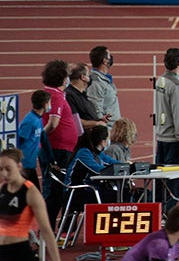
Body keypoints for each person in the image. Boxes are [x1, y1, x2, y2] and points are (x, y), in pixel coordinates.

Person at [0, 148, 68, 261]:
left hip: (18, 256)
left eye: (8, 168)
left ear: (19, 166)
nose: (4, 173)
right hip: (1, 253)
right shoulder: (2, 189)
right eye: (0, 169)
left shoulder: (30, 192)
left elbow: (46, 231)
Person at [40, 60, 77, 228]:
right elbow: (53, 123)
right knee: (55, 191)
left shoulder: (56, 94)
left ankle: (51, 230)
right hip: (57, 150)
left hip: (61, 148)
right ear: (62, 78)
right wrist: (40, 138)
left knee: (57, 190)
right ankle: (47, 230)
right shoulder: (54, 96)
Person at [154, 48, 179, 211]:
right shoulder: (176, 85)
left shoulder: (161, 80)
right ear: (177, 63)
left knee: (160, 178)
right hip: (173, 138)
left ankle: (158, 210)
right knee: (173, 181)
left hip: (161, 135)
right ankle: (167, 213)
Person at [65, 125, 118, 203]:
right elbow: (97, 170)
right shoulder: (84, 153)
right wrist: (117, 169)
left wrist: (127, 166)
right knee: (118, 196)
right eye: (108, 138)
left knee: (125, 194)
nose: (109, 141)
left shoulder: (98, 154)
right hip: (77, 192)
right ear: (102, 141)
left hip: (91, 190)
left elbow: (111, 162)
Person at [16, 89, 53, 187]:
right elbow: (19, 140)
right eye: (49, 102)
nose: (50, 105)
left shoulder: (37, 119)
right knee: (33, 193)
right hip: (25, 165)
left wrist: (51, 159)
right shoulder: (30, 121)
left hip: (30, 165)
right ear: (45, 105)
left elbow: (43, 138)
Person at [65, 63, 106, 131]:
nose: (90, 76)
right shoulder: (69, 96)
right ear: (83, 77)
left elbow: (85, 115)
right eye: (88, 74)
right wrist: (96, 123)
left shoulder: (82, 95)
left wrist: (99, 120)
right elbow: (75, 120)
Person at [88, 45, 121, 125]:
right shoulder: (96, 82)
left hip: (113, 126)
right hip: (107, 128)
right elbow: (96, 108)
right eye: (109, 55)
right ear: (105, 61)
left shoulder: (104, 78)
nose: (111, 58)